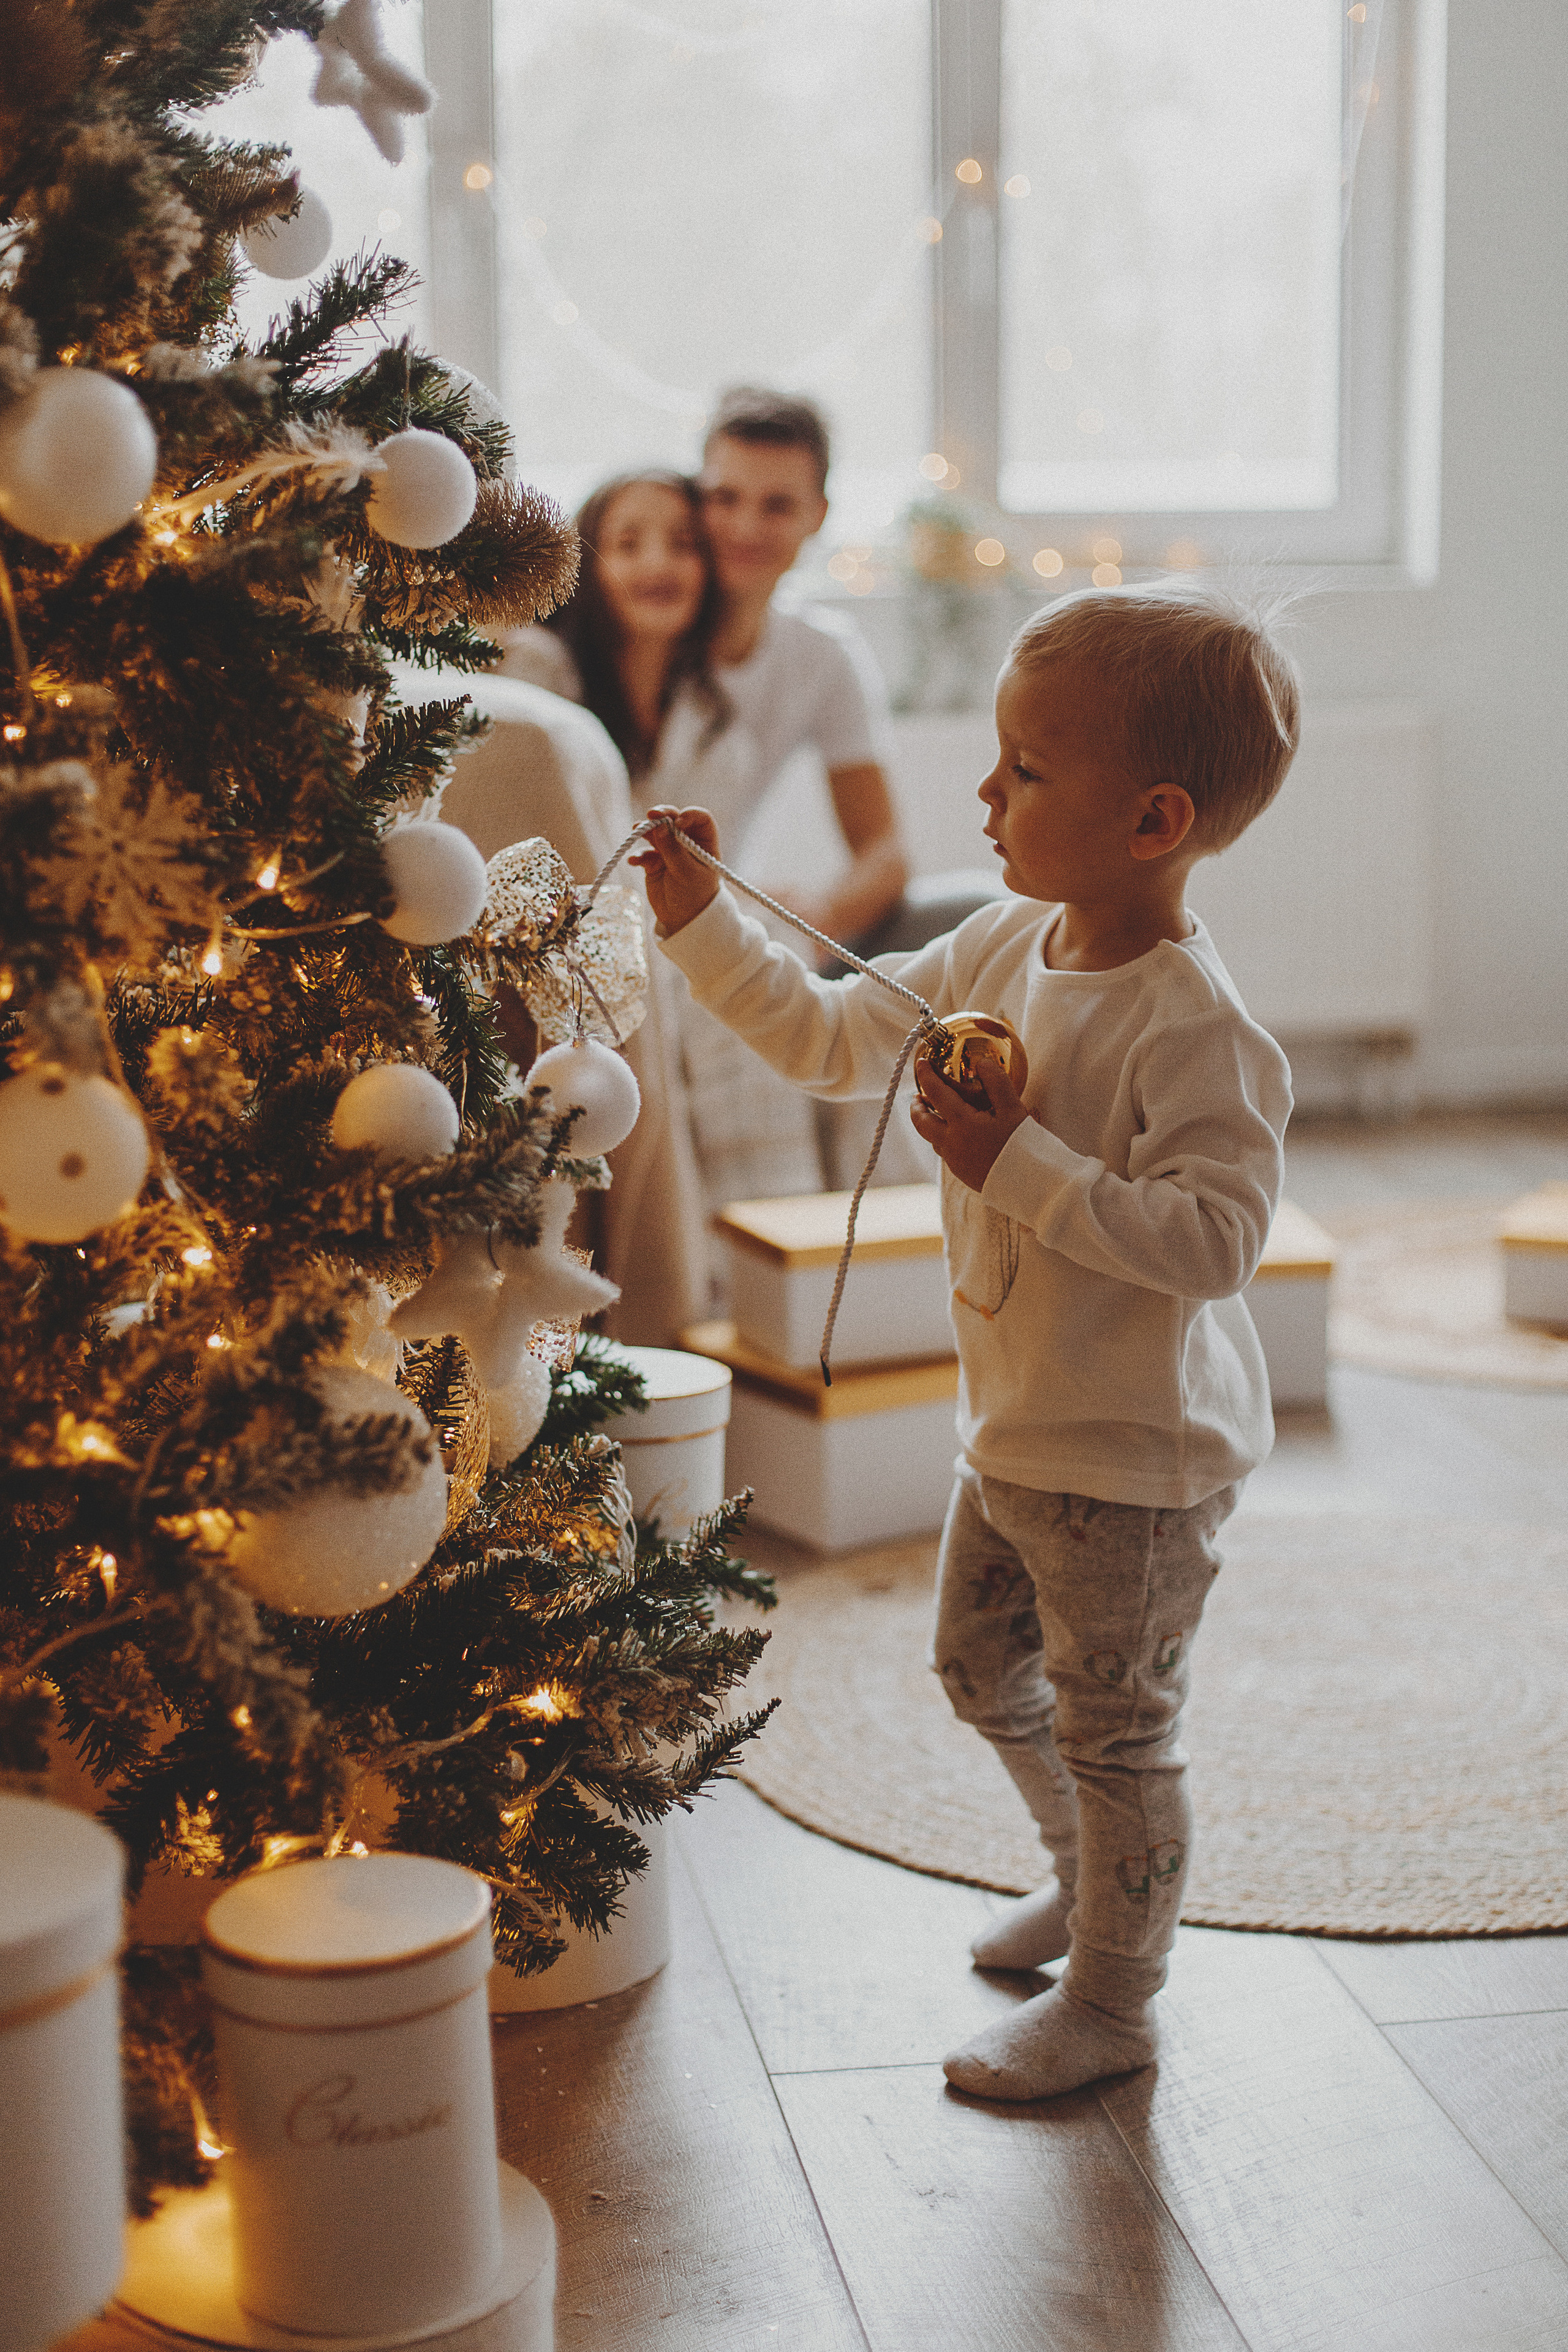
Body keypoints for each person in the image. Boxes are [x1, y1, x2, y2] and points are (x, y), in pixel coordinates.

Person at [631, 584, 1298, 2101]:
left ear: (1151, 820)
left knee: (1119, 1735)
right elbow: (823, 1040)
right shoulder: (995, 943)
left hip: (1133, 1464)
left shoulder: (1196, 1028)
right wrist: (700, 921)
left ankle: (1114, 1998)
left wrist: (1017, 1166)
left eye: (1024, 769)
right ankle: (1088, 1877)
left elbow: (1213, 1242)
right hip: (1012, 1429)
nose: (983, 794)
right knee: (975, 1670)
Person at [698, 385, 908, 946]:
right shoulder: (641, 621)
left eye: (777, 506)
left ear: (818, 515)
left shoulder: (824, 654)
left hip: (721, 934)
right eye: (725, 498)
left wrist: (812, 921)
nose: (746, 527)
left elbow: (885, 854)